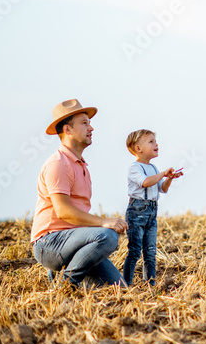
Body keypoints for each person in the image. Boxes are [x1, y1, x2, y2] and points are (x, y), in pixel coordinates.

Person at [30, 99, 128, 288]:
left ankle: (60, 274)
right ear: (67, 130)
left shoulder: (81, 165)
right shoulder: (58, 164)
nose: (91, 128)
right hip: (49, 243)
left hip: (73, 241)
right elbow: (63, 211)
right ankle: (66, 284)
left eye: (89, 123)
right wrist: (104, 222)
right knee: (107, 236)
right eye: (84, 123)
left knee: (119, 290)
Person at [122, 129, 183, 287]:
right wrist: (163, 173)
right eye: (151, 142)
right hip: (137, 211)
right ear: (138, 148)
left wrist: (168, 178)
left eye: (155, 141)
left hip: (151, 212)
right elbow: (146, 182)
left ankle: (150, 284)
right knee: (135, 250)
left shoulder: (154, 168)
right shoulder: (135, 168)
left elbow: (162, 188)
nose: (156, 144)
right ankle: (126, 283)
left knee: (150, 252)